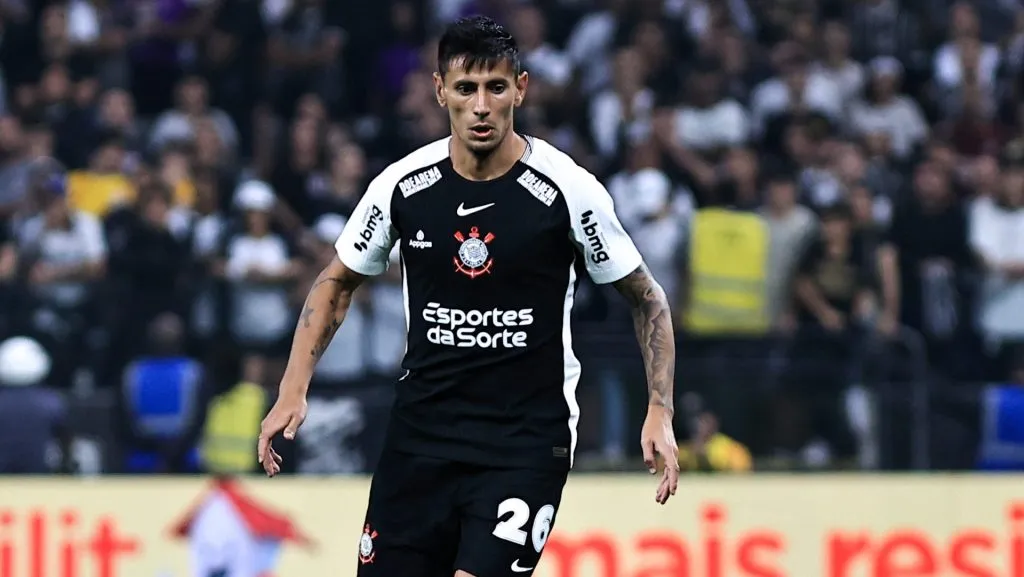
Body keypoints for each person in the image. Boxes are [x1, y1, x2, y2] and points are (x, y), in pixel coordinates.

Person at [257, 16, 679, 577]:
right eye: (465, 88)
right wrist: (292, 388)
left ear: (520, 89)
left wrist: (659, 410)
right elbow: (335, 282)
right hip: (420, 438)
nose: (481, 106)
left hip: (524, 444)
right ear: (440, 91)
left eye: (495, 87)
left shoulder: (569, 190)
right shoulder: (404, 185)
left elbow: (648, 299)